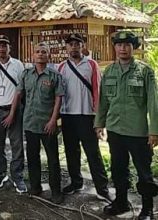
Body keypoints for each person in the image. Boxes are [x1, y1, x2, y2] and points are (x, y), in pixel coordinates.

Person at [95, 31, 158, 219]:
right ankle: (120, 202)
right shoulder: (109, 71)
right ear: (115, 48)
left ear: (133, 48)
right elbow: (104, 100)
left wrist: (154, 131)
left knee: (144, 173)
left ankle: (147, 209)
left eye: (127, 45)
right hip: (115, 130)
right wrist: (100, 123)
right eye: (119, 45)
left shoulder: (144, 71)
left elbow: (153, 103)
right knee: (118, 169)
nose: (123, 48)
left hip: (138, 132)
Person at [4, 42, 64, 203]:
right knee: (32, 157)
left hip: (47, 125)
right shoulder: (26, 74)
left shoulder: (54, 76)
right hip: (30, 123)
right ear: (33, 56)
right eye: (37, 52)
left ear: (48, 55)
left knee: (53, 159)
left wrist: (53, 120)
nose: (40, 54)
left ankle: (56, 191)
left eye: (44, 52)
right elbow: (18, 94)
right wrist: (11, 114)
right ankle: (36, 187)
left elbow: (58, 99)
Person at [58, 33, 112, 201]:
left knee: (93, 153)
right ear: (66, 47)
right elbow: (58, 93)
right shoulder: (61, 67)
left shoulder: (91, 65)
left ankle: (102, 188)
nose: (74, 46)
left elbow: (98, 91)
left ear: (83, 46)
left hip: (87, 115)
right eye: (70, 44)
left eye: (77, 43)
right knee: (71, 151)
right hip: (67, 116)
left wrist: (99, 118)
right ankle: (75, 182)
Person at [0, 35, 27, 193]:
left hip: (14, 109)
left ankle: (17, 176)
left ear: (10, 48)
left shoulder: (18, 65)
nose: (1, 48)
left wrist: (12, 113)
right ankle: (0, 174)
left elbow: (20, 90)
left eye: (4, 45)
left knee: (17, 145)